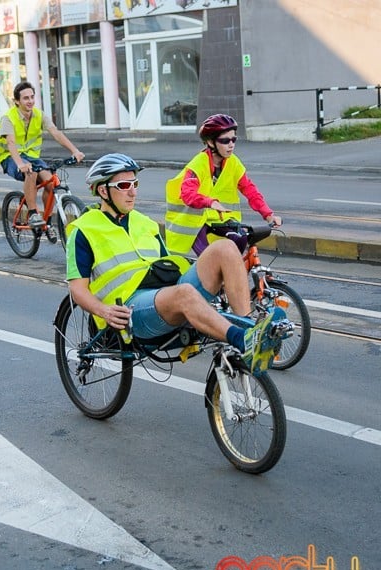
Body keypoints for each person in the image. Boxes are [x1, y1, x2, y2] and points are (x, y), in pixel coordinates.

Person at [65, 153, 288, 377]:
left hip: (163, 295)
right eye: (124, 185)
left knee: (226, 249)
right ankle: (241, 340)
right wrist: (104, 311)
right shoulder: (84, 229)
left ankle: (249, 329)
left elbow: (164, 263)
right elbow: (77, 289)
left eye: (135, 184)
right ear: (103, 191)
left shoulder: (145, 223)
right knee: (184, 293)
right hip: (130, 310)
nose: (133, 191)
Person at [165, 113, 281, 256]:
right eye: (225, 140)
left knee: (240, 239)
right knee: (209, 261)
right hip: (192, 221)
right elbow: (187, 194)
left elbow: (250, 190)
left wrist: (268, 215)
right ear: (211, 142)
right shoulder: (198, 164)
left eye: (234, 139)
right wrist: (210, 202)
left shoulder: (233, 162)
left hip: (218, 219)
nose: (231, 144)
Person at [0, 81, 85, 235]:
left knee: (51, 182)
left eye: (32, 97)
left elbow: (55, 133)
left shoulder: (39, 115)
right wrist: (20, 164)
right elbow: (11, 143)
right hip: (9, 157)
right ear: (17, 101)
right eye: (26, 98)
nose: (30, 101)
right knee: (31, 171)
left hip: (31, 156)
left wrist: (75, 151)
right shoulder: (8, 118)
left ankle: (46, 222)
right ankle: (34, 213)